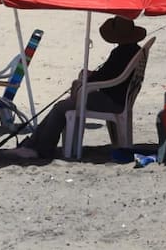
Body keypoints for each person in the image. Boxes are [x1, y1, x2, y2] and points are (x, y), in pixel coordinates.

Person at [29, 16, 146, 158]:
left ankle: (42, 148)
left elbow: (106, 77)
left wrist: (88, 77)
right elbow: (112, 74)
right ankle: (33, 144)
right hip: (119, 98)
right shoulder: (135, 50)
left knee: (60, 107)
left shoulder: (121, 52)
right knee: (64, 105)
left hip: (111, 100)